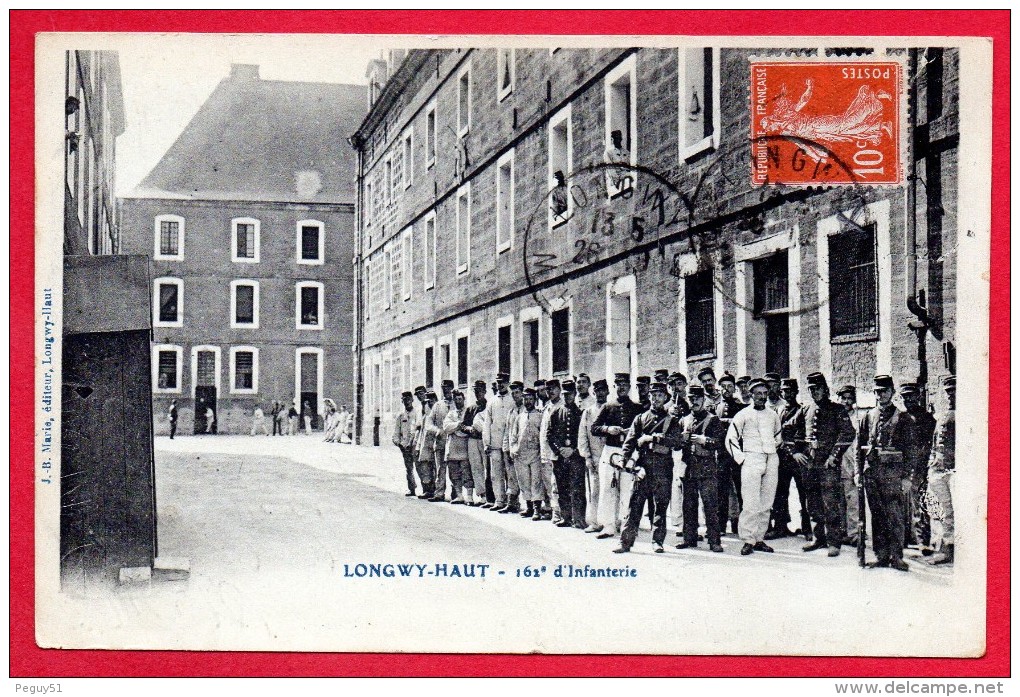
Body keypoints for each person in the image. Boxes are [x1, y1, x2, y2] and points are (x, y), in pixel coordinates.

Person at [613, 381, 683, 554]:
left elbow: (677, 443)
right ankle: (625, 542)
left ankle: (657, 541)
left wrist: (653, 438)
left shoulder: (672, 421)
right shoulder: (640, 418)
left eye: (660, 395)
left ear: (666, 398)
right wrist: (624, 459)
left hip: (663, 468)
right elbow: (629, 443)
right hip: (642, 468)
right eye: (653, 395)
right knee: (634, 506)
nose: (656, 399)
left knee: (660, 507)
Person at [858, 375, 917, 572]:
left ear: (892, 392)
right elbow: (860, 447)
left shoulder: (903, 418)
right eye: (877, 391)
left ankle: (897, 556)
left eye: (884, 391)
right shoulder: (868, 417)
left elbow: (910, 450)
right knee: (877, 516)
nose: (880, 395)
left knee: (895, 515)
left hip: (893, 475)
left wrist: (907, 477)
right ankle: (881, 555)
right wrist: (859, 472)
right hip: (872, 474)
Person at [726, 378, 782, 556]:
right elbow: (731, 439)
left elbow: (778, 436)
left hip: (771, 458)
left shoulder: (773, 415)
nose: (762, 397)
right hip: (751, 458)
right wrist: (742, 459)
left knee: (766, 502)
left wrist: (773, 448)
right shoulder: (742, 414)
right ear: (750, 395)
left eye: (765, 394)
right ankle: (748, 540)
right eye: (758, 394)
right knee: (750, 502)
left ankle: (759, 538)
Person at [801, 372, 856, 557]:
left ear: (825, 389)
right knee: (813, 504)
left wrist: (834, 455)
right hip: (810, 464)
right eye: (811, 389)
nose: (814, 392)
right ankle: (819, 539)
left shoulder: (837, 409)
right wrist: (796, 452)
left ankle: (834, 542)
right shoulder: (806, 410)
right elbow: (789, 430)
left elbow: (848, 433)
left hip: (828, 465)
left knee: (831, 503)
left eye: (817, 389)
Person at [592, 373, 644, 539]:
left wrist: (633, 432)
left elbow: (644, 430)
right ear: (614, 387)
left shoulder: (637, 408)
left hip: (628, 452)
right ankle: (608, 525)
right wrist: (608, 429)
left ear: (629, 386)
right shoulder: (607, 407)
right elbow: (595, 428)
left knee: (627, 489)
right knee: (608, 488)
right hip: (610, 451)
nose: (621, 387)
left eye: (624, 384)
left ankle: (625, 525)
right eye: (618, 385)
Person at [677, 385, 727, 552]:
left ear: (703, 400)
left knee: (710, 506)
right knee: (688, 505)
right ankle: (689, 539)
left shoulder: (713, 420)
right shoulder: (684, 420)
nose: (694, 402)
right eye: (691, 399)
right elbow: (676, 445)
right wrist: (681, 440)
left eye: (697, 398)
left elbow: (720, 442)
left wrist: (704, 440)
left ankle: (714, 541)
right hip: (689, 468)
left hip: (707, 468)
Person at [767, 378, 811, 541]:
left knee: (803, 494)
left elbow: (801, 435)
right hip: (782, 459)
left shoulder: (803, 411)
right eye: (785, 391)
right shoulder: (777, 412)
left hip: (799, 459)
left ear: (797, 392)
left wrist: (795, 451)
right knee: (780, 493)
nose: (788, 394)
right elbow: (776, 433)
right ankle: (781, 526)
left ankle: (807, 528)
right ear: (781, 392)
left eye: (791, 391)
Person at [900, 382, 936, 552]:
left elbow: (930, 445)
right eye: (905, 396)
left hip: (921, 468)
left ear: (918, 396)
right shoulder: (899, 418)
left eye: (911, 396)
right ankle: (904, 539)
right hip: (902, 468)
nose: (908, 399)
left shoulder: (928, 419)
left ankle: (922, 540)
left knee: (919, 505)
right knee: (902, 505)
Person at [548, 379, 586, 529]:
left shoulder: (581, 413)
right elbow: (549, 435)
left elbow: (583, 436)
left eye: (570, 394)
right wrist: (559, 450)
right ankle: (566, 517)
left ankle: (579, 519)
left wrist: (574, 450)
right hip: (561, 457)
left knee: (577, 488)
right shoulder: (556, 412)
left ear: (575, 394)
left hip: (576, 457)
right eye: (564, 394)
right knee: (562, 487)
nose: (567, 397)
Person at [926, 376, 955, 565]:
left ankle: (952, 548)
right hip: (938, 470)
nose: (951, 395)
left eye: (954, 391)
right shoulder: (943, 415)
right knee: (938, 510)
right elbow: (936, 442)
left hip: (955, 469)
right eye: (948, 392)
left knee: (954, 511)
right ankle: (942, 547)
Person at [577, 378, 609, 533]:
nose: (600, 394)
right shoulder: (588, 412)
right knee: (594, 491)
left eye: (603, 390)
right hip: (594, 457)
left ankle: (611, 522)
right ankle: (594, 522)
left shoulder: (612, 409)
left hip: (611, 457)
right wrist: (587, 457)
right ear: (593, 393)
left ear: (608, 391)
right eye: (597, 391)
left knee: (610, 491)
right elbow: (582, 436)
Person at [510, 387, 546, 520]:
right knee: (524, 481)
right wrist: (513, 449)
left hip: (535, 453)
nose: (528, 401)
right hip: (521, 454)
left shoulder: (540, 415)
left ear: (534, 400)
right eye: (526, 399)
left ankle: (537, 509)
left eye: (531, 399)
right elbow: (513, 435)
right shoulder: (519, 417)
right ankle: (529, 507)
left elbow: (543, 435)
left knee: (536, 481)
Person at [715, 373, 745, 535]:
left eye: (730, 387)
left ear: (734, 389)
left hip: (736, 453)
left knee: (741, 489)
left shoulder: (740, 407)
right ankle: (720, 526)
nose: (726, 390)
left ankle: (741, 525)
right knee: (722, 490)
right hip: (721, 454)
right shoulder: (716, 407)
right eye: (723, 387)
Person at [487, 373, 519, 513]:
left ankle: (513, 502)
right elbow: (488, 422)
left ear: (507, 383)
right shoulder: (492, 401)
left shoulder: (513, 400)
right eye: (498, 382)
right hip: (494, 442)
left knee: (510, 472)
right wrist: (486, 442)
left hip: (508, 443)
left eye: (503, 382)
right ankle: (499, 500)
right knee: (496, 473)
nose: (500, 385)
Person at [836, 385, 862, 545]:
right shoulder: (835, 415)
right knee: (838, 501)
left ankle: (853, 533)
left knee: (852, 500)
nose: (846, 401)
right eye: (843, 398)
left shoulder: (857, 418)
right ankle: (840, 531)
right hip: (836, 463)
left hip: (851, 463)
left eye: (849, 398)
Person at [442, 390, 472, 505]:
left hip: (464, 446)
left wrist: (457, 428)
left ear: (463, 399)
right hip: (453, 447)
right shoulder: (451, 413)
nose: (458, 401)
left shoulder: (468, 411)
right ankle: (459, 496)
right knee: (454, 474)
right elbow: (446, 427)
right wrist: (458, 425)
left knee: (466, 473)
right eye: (456, 399)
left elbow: (469, 426)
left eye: (460, 399)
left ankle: (469, 496)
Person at [463, 380, 490, 507]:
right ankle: (482, 494)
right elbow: (463, 425)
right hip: (473, 440)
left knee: (487, 467)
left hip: (485, 440)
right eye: (475, 391)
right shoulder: (470, 408)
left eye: (480, 390)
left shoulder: (489, 406)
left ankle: (491, 495)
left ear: (485, 391)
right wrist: (469, 429)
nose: (477, 393)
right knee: (476, 467)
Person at [427, 380, 454, 501]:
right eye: (443, 388)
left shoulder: (456, 403)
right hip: (440, 441)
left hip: (454, 442)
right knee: (440, 469)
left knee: (454, 469)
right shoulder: (437, 405)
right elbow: (429, 422)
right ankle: (439, 493)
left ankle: (455, 493)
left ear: (452, 388)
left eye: (448, 387)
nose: (446, 390)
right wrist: (436, 430)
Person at [502, 381, 526, 514]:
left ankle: (528, 505)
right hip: (511, 450)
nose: (515, 395)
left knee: (524, 477)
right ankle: (512, 502)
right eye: (513, 393)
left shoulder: (526, 410)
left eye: (517, 392)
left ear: (522, 393)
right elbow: (508, 432)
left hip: (523, 451)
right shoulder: (511, 411)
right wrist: (506, 449)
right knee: (511, 476)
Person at [393, 391, 420, 497]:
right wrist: (399, 444)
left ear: (412, 400)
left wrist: (413, 442)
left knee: (419, 467)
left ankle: (426, 489)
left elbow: (417, 428)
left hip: (415, 444)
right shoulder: (400, 416)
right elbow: (396, 433)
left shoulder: (417, 413)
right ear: (402, 401)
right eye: (404, 400)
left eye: (409, 399)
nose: (407, 402)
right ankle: (412, 488)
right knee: (409, 468)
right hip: (405, 447)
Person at [415, 391, 437, 499]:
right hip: (425, 441)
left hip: (436, 441)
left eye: (432, 401)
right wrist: (418, 445)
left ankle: (437, 490)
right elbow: (421, 429)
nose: (430, 403)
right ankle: (428, 489)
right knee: (425, 465)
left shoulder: (438, 410)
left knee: (437, 467)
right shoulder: (425, 413)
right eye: (428, 401)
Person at [604, 128, 632, 193]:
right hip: (617, 182)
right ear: (612, 139)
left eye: (618, 138)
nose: (617, 140)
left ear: (621, 139)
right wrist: (617, 182)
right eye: (615, 138)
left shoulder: (627, 152)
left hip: (627, 177)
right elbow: (611, 170)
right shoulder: (609, 153)